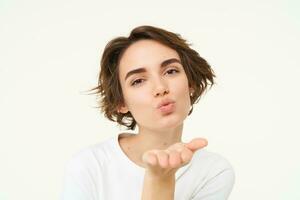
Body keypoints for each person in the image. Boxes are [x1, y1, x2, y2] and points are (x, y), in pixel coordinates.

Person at [60, 25, 235, 200]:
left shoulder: (214, 171)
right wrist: (159, 180)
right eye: (138, 81)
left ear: (191, 83)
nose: (160, 88)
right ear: (121, 102)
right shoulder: (89, 165)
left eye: (171, 71)